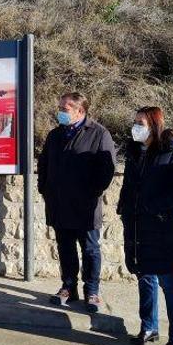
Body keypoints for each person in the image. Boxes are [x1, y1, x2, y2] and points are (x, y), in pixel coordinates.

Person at [117, 106, 173, 345]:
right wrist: (125, 210)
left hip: (162, 226)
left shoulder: (172, 150)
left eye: (141, 122)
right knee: (144, 277)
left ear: (154, 124)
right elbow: (129, 185)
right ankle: (149, 327)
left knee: (170, 283)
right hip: (138, 225)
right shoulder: (135, 151)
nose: (135, 126)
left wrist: (154, 207)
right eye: (135, 121)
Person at [37, 92, 116, 313]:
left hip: (85, 206)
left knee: (90, 249)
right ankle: (68, 287)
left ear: (80, 111)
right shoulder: (55, 135)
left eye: (65, 109)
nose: (60, 112)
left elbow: (107, 169)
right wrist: (45, 188)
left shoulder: (99, 134)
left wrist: (92, 191)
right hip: (59, 203)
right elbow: (44, 163)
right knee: (65, 248)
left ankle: (92, 291)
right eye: (60, 107)